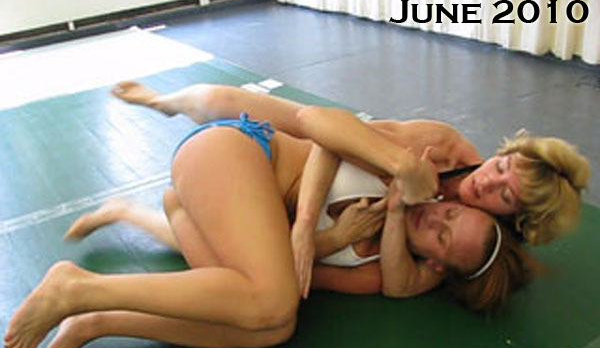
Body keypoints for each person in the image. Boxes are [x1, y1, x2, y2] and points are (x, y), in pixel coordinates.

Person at [4, 100, 532, 348]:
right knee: (273, 304)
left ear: (436, 264)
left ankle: (96, 322)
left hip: (211, 208)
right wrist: (318, 227)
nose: (437, 215)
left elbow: (303, 274)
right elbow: (321, 127)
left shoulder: (377, 268)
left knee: (273, 326)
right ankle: (78, 289)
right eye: (452, 211)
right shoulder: (403, 167)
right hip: (235, 148)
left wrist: (342, 237)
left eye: (442, 234)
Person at [110, 81, 590, 246]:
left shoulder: (478, 237)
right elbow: (331, 135)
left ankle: (128, 213)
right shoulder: (440, 146)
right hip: (309, 144)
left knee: (210, 244)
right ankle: (162, 101)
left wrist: (322, 237)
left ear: (518, 219)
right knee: (216, 101)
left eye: (505, 194)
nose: (488, 182)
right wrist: (304, 227)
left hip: (328, 204)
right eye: (501, 167)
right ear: (502, 153)